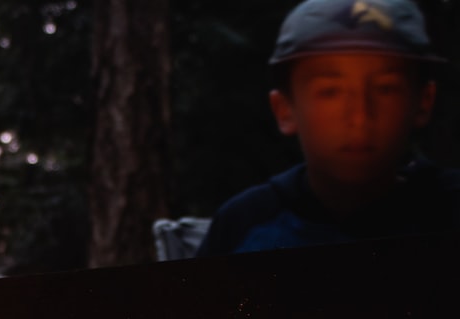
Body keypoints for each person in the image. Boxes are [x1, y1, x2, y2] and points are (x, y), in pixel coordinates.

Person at [196, 0, 460, 258]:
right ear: (284, 109)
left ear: (423, 102)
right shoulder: (244, 226)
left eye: (385, 89)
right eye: (330, 92)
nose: (359, 116)